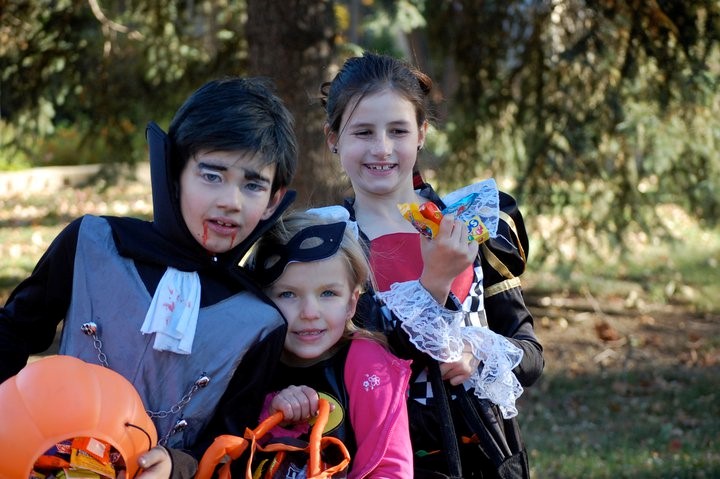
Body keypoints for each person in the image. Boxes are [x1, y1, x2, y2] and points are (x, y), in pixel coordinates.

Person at [0, 77, 298, 478]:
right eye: (212, 175)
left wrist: (178, 464)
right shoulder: (93, 243)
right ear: (175, 172)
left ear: (273, 200)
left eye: (253, 184)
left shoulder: (260, 323)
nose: (231, 201)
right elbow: (13, 333)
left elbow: (231, 442)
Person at [320, 51, 544, 477]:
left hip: (490, 460)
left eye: (398, 131)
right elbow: (337, 361)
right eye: (363, 132)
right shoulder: (328, 243)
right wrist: (435, 280)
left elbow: (531, 356)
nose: (382, 148)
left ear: (422, 133)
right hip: (382, 461)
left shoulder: (474, 221)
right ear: (333, 138)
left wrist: (479, 351)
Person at [247, 209, 413, 478]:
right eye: (288, 294)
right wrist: (271, 408)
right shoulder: (253, 358)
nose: (310, 312)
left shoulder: (366, 362)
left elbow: (389, 467)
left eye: (328, 293)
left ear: (351, 303)